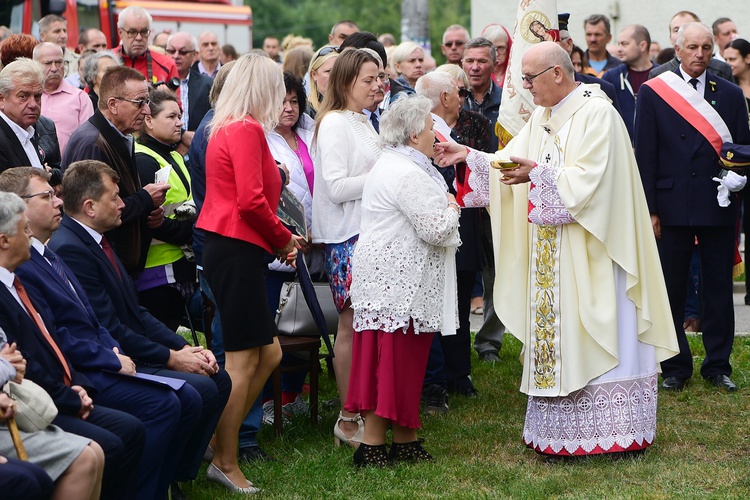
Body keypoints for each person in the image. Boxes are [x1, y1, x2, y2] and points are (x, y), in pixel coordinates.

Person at [435, 41, 679, 458]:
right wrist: (471, 157)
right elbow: (513, 161)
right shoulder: (546, 116)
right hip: (555, 253)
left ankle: (614, 430)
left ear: (557, 74)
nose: (525, 88)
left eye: (529, 79)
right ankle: (560, 433)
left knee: (600, 330)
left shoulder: (597, 114)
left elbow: (593, 182)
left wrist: (541, 175)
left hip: (597, 250)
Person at [2, 166, 202, 499]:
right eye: (47, 195)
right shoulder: (31, 263)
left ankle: (163, 485)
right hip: (78, 376)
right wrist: (99, 368)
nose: (58, 201)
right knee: (162, 407)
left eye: (56, 193)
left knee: (188, 396)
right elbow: (51, 341)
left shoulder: (49, 252)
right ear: (18, 206)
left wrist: (115, 350)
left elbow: (94, 320)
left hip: (93, 365)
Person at [48, 160, 231, 495]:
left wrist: (180, 348)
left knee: (216, 379)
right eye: (115, 198)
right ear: (90, 207)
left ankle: (172, 474)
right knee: (194, 392)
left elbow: (136, 312)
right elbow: (111, 327)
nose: (123, 204)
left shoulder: (97, 239)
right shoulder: (71, 248)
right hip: (112, 360)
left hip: (129, 348)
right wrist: (171, 358)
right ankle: (151, 485)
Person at [196, 53, 300, 493]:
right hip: (235, 247)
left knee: (269, 354)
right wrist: (283, 238)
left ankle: (216, 437)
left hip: (236, 247)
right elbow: (251, 201)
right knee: (241, 362)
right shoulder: (245, 128)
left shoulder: (231, 125)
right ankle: (225, 458)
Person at [0, 190, 143, 498]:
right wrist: (70, 397)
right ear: (4, 241)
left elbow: (54, 340)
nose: (31, 237)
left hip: (65, 389)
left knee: (124, 433)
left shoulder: (18, 280)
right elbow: (25, 364)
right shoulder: (8, 288)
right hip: (35, 404)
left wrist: (78, 386)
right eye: (24, 230)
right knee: (105, 445)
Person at [635, 22, 750, 392]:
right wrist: (650, 209)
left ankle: (718, 366)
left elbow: (743, 149)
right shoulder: (654, 92)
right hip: (670, 205)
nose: (700, 54)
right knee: (671, 287)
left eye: (706, 47)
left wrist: (738, 177)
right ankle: (675, 366)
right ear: (678, 49)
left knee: (717, 287)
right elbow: (646, 155)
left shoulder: (731, 94)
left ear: (712, 50)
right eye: (693, 47)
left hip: (717, 203)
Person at [347, 95, 460, 466]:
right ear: (413, 135)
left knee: (402, 361)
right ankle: (373, 446)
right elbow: (435, 229)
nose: (435, 134)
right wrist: (451, 207)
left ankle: (405, 439)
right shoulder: (406, 171)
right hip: (397, 285)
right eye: (431, 127)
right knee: (392, 363)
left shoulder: (401, 163)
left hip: (394, 282)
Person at [312, 48, 381, 447]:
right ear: (345, 83)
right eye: (368, 80)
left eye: (379, 78)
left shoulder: (363, 122)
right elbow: (336, 187)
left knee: (366, 324)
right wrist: (383, 175)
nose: (377, 86)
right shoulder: (335, 123)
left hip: (369, 232)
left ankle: (366, 406)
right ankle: (348, 415)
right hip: (347, 237)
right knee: (351, 325)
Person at [416, 70, 485, 402]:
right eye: (458, 92)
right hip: (442, 227)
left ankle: (458, 374)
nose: (462, 97)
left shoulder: (452, 130)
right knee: (444, 305)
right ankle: (443, 377)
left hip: (462, 226)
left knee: (457, 303)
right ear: (444, 98)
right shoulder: (427, 134)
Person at [62, 65, 170, 275]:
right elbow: (94, 214)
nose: (147, 110)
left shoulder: (122, 135)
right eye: (140, 103)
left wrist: (147, 210)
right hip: (104, 265)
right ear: (113, 104)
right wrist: (145, 199)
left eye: (146, 102)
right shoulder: (92, 142)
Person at [0, 317, 101, 500]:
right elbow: (8, 365)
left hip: (13, 407)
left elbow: (13, 357)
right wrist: (6, 367)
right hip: (10, 416)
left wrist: (78, 386)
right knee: (83, 459)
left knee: (96, 452)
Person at [134, 88, 196, 330]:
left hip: (180, 261)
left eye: (179, 116)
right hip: (156, 271)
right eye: (171, 117)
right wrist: (191, 233)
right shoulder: (143, 159)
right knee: (159, 335)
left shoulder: (174, 155)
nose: (179, 123)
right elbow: (149, 218)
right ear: (148, 120)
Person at [33, 42, 94, 155]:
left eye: (59, 62)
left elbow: (88, 140)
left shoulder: (80, 98)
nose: (54, 68)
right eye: (48, 63)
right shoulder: (29, 98)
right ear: (34, 64)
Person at [601, 25, 656, 141]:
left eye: (624, 44)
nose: (619, 49)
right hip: (622, 149)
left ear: (642, 46)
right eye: (618, 44)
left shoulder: (663, 76)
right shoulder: (611, 77)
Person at [650, 11, 734, 83]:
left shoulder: (721, 69)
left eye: (687, 28)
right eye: (676, 30)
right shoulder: (659, 75)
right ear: (670, 37)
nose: (681, 33)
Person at [166, 32, 212, 152]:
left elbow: (214, 120)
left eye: (183, 52)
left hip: (197, 150)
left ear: (195, 55)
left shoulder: (207, 84)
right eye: (171, 51)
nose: (176, 56)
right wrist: (183, 135)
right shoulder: (159, 83)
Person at [113, 6, 179, 86]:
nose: (139, 38)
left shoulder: (167, 65)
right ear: (120, 33)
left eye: (144, 32)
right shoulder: (106, 62)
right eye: (132, 32)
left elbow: (176, 98)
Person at [461, 38, 501, 151]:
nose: (475, 67)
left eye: (482, 61)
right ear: (462, 64)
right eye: (469, 61)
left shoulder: (507, 102)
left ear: (495, 65)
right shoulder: (452, 102)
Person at [306, 45, 340, 118]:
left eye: (339, 71)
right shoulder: (306, 112)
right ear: (314, 75)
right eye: (329, 72)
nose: (335, 76)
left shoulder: (354, 108)